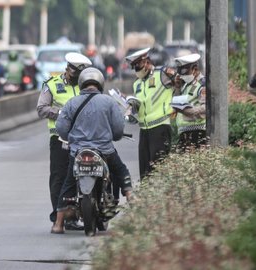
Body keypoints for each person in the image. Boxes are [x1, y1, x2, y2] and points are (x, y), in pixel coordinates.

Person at [51, 67, 133, 234]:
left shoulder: (71, 102)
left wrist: (72, 139)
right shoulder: (109, 102)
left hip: (78, 152)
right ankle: (131, 197)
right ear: (100, 83)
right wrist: (113, 137)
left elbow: (61, 128)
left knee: (68, 182)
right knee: (120, 170)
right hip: (105, 151)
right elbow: (118, 130)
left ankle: (58, 224)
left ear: (82, 83)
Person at [36, 52, 92, 226]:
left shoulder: (87, 86)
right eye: (74, 74)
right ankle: (58, 216)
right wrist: (61, 114)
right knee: (59, 178)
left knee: (81, 175)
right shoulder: (52, 85)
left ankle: (75, 215)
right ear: (68, 69)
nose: (76, 79)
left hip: (83, 139)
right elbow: (41, 109)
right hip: (60, 139)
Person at [125, 47, 174, 180]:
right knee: (144, 172)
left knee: (158, 171)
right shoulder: (137, 84)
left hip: (160, 127)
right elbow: (142, 105)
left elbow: (180, 83)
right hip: (144, 130)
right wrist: (131, 107)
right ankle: (146, 200)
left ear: (146, 61)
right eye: (134, 66)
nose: (136, 69)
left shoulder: (162, 74)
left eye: (138, 65)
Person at [173, 53, 207, 150]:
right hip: (184, 131)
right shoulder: (186, 84)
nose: (181, 75)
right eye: (179, 71)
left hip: (198, 132)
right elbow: (178, 100)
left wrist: (190, 111)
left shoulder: (202, 84)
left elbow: (206, 107)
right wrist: (178, 88)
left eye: (184, 71)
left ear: (195, 69)